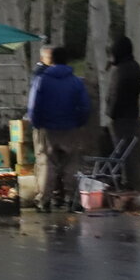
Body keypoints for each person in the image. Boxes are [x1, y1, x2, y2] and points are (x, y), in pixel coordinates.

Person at [28, 47, 91, 212]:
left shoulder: (41, 80)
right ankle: (73, 200)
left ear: (51, 60)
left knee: (46, 164)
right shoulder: (76, 82)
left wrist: (37, 123)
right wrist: (78, 122)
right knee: (71, 165)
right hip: (70, 128)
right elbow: (84, 107)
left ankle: (44, 201)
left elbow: (33, 106)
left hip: (47, 129)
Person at [107, 36, 140, 190]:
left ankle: (123, 181)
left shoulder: (120, 70)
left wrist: (111, 112)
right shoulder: (135, 66)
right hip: (132, 113)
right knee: (129, 149)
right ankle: (130, 180)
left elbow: (116, 93)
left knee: (121, 149)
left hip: (120, 115)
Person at [29, 46, 54, 207]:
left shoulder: (39, 75)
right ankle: (65, 197)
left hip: (44, 124)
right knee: (65, 162)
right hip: (65, 126)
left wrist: (35, 122)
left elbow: (34, 102)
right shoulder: (69, 76)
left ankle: (43, 198)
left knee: (44, 161)